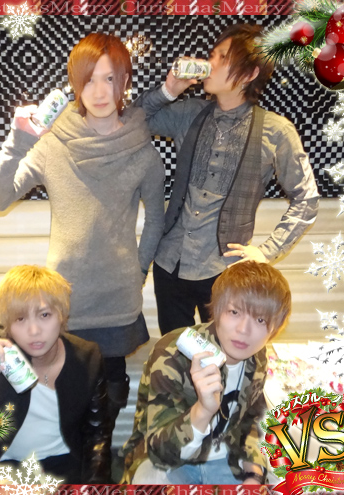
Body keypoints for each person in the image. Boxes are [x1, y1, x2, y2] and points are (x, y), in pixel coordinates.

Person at [0, 33, 165, 427]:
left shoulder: (142, 150)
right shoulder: (53, 145)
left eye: (110, 78)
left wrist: (138, 271)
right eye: (89, 79)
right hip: (64, 297)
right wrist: (19, 140)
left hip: (118, 297)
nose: (99, 91)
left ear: (124, 81)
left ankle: (102, 461)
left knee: (112, 392)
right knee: (65, 394)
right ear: (75, 84)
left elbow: (156, 219)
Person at [134, 23, 319, 335]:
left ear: (249, 74)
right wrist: (170, 90)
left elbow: (307, 198)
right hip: (169, 263)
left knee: (223, 355)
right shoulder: (189, 112)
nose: (211, 62)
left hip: (224, 272)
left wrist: (267, 252)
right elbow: (134, 121)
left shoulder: (276, 131)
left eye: (222, 57)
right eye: (212, 55)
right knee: (174, 351)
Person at [0, 265, 111, 484]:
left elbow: (97, 434)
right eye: (20, 319)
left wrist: (94, 489)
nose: (34, 331)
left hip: (63, 467)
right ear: (7, 324)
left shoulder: (87, 357)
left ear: (62, 315)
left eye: (44, 315)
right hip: (1, 468)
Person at [121, 261, 291, 485]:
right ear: (217, 310)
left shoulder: (256, 356)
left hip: (226, 458)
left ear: (275, 327)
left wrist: (254, 470)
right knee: (149, 485)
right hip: (171, 461)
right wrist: (202, 410)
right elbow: (159, 453)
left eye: (260, 320)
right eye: (234, 312)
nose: (243, 330)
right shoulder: (173, 352)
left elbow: (250, 419)